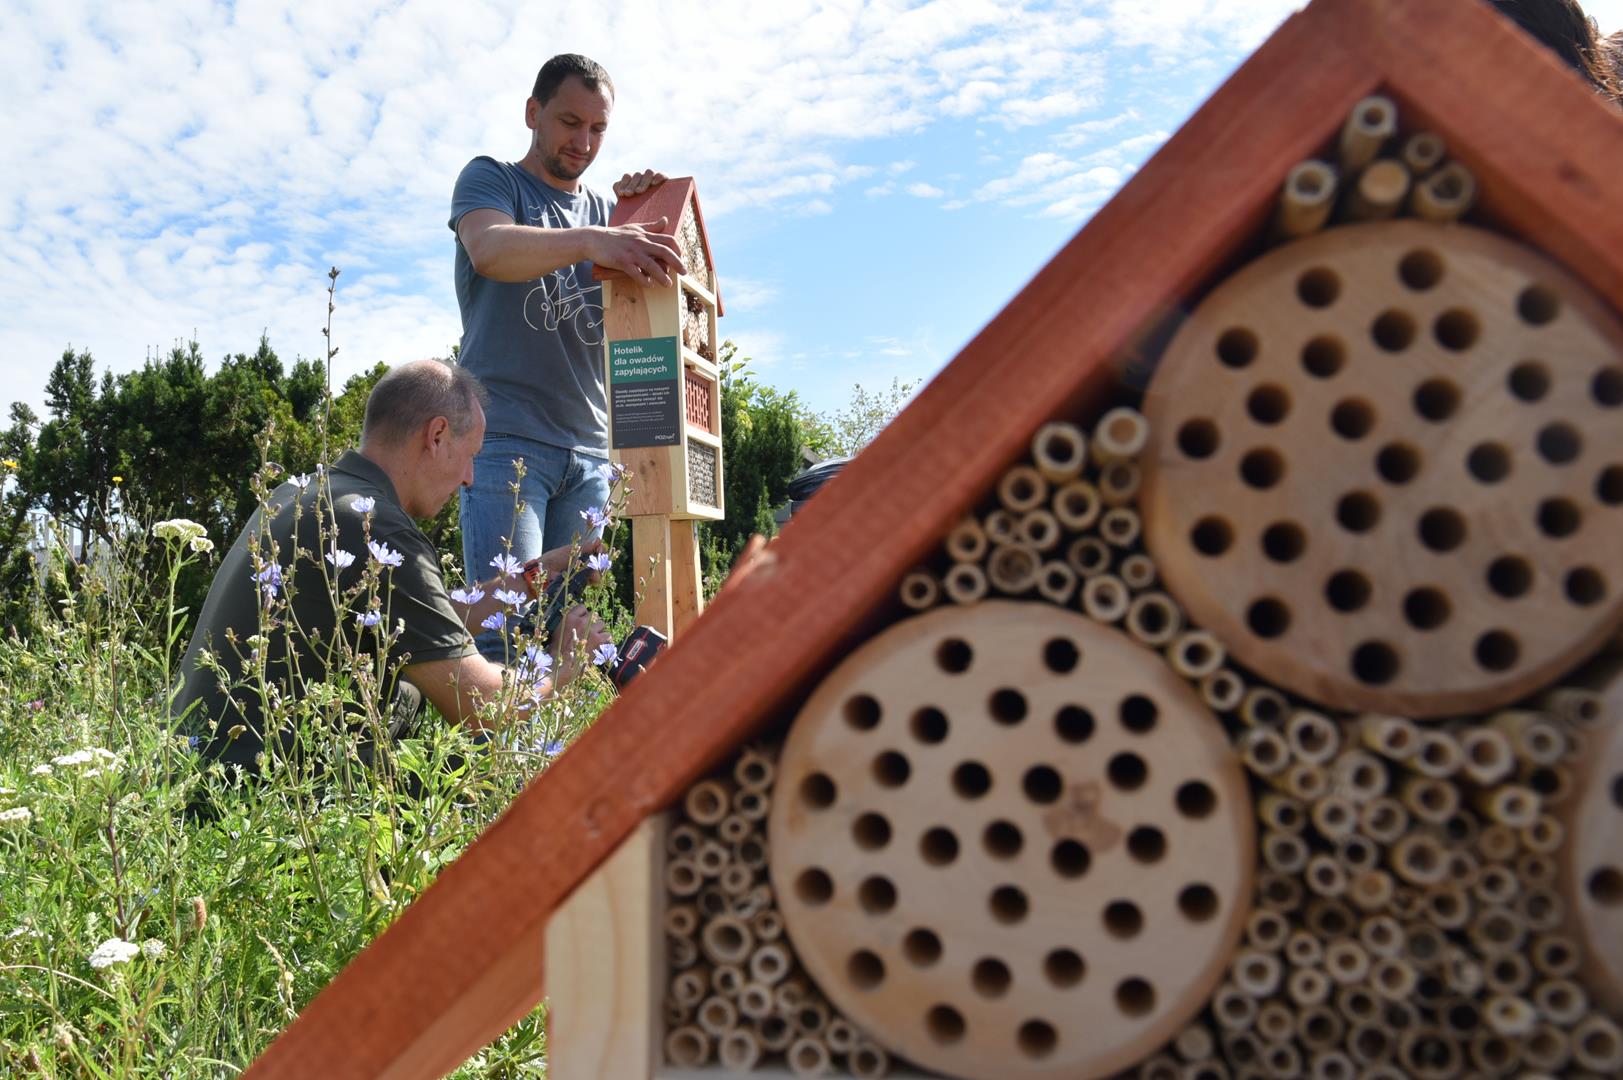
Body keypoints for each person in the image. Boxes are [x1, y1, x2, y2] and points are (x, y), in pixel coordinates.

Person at [173, 359, 612, 773]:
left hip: (198, 772)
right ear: (436, 435)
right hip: (263, 796)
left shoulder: (306, 495)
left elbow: (429, 624)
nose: (469, 479)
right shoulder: (377, 528)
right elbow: (483, 708)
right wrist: (563, 663)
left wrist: (537, 575)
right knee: (490, 785)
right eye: (471, 455)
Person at [450, 53, 683, 659]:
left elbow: (652, 315)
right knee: (503, 632)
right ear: (533, 113)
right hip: (506, 444)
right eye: (569, 121)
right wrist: (594, 239)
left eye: (599, 129)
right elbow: (489, 250)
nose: (584, 142)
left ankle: (562, 758)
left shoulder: (611, 218)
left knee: (572, 635)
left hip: (591, 455)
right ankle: (495, 759)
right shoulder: (492, 179)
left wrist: (643, 209)